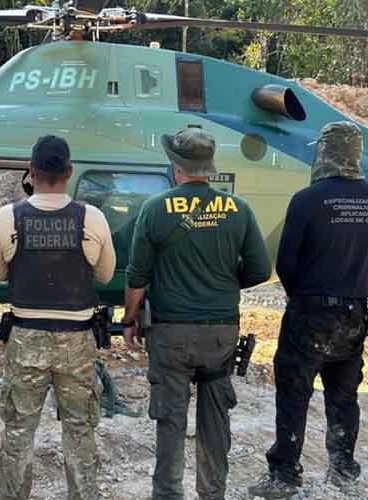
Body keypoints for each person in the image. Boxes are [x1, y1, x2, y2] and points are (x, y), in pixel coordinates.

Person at [122, 127, 272, 500]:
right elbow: (259, 270)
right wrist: (222, 285)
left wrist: (129, 319)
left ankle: (168, 495)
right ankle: (212, 493)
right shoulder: (238, 209)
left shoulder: (156, 209)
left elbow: (137, 275)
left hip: (171, 334)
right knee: (216, 421)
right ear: (210, 168)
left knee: (170, 422)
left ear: (176, 167)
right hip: (220, 335)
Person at [248, 121, 368, 499]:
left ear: (324, 152)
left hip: (311, 312)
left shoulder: (308, 200)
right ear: (356, 153)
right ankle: (343, 471)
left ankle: (285, 476)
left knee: (294, 393)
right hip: (355, 315)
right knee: (344, 396)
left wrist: (303, 299)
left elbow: (287, 263)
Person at [0, 135, 116, 500]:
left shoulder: (7, 217)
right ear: (69, 172)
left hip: (26, 338)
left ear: (31, 171)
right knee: (80, 431)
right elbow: (104, 275)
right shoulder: (93, 218)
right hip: (77, 340)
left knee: (18, 432)